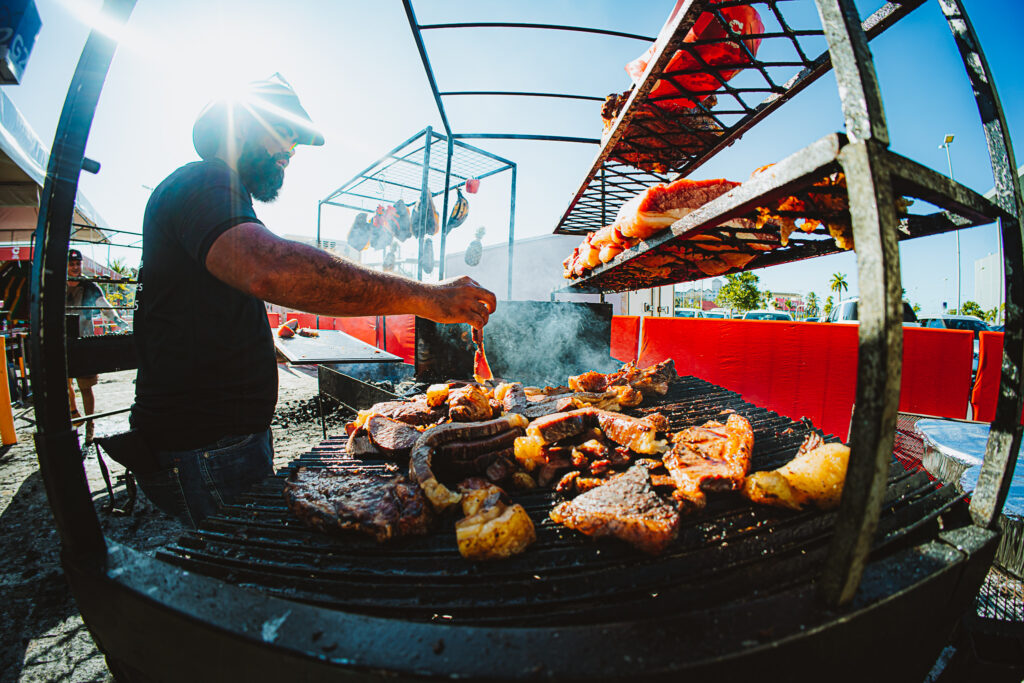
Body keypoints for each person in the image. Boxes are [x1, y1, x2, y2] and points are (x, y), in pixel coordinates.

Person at [129, 74, 496, 527]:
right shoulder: (204, 181)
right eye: (286, 134)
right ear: (241, 124)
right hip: (204, 448)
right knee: (244, 579)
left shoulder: (214, 192)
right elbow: (271, 266)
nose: (291, 152)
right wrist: (424, 297)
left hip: (214, 443)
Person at [66, 248, 128, 443]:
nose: (75, 267)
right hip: (61, 340)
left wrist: (118, 321)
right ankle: (73, 413)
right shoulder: (54, 284)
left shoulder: (90, 286)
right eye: (72, 264)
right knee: (63, 383)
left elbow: (104, 306)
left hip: (83, 339)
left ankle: (90, 424)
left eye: (78, 264)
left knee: (86, 386)